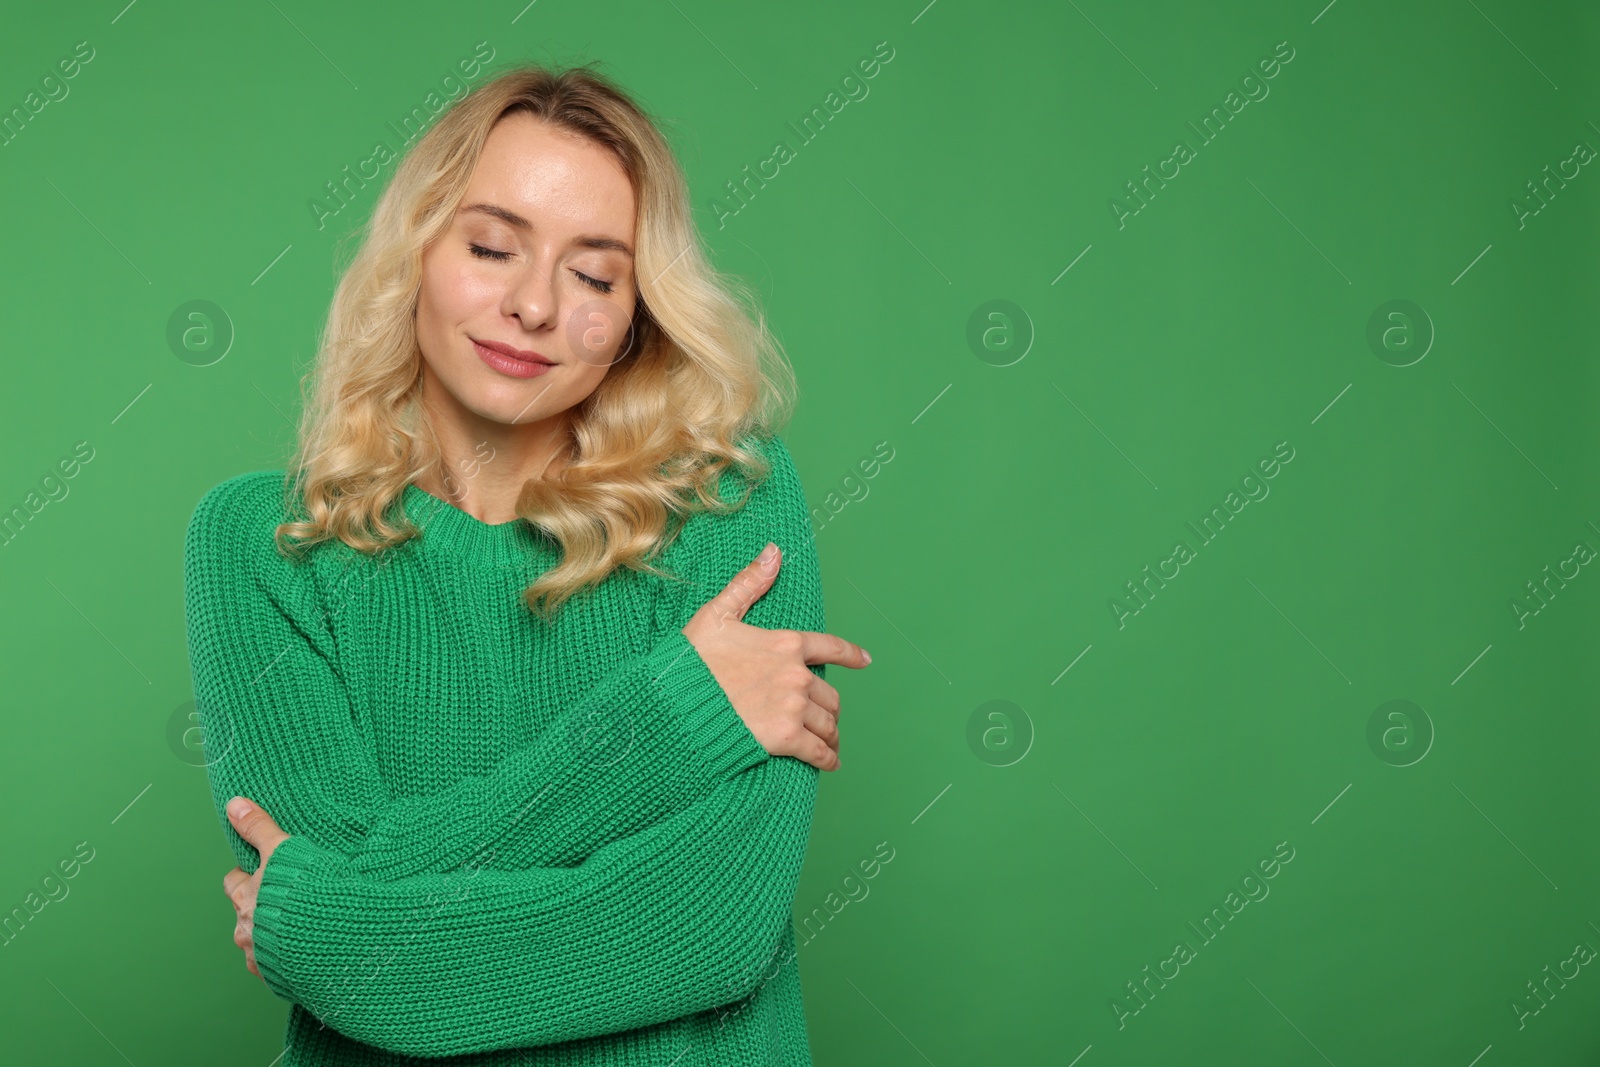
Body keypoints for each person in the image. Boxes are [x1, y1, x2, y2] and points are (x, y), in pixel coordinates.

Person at [183, 63, 870, 1065]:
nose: (535, 306)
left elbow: (708, 929)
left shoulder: (730, 501)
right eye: (492, 246)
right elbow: (333, 934)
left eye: (594, 274)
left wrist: (332, 918)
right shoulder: (265, 545)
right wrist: (673, 715)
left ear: (637, 313)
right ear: (417, 250)